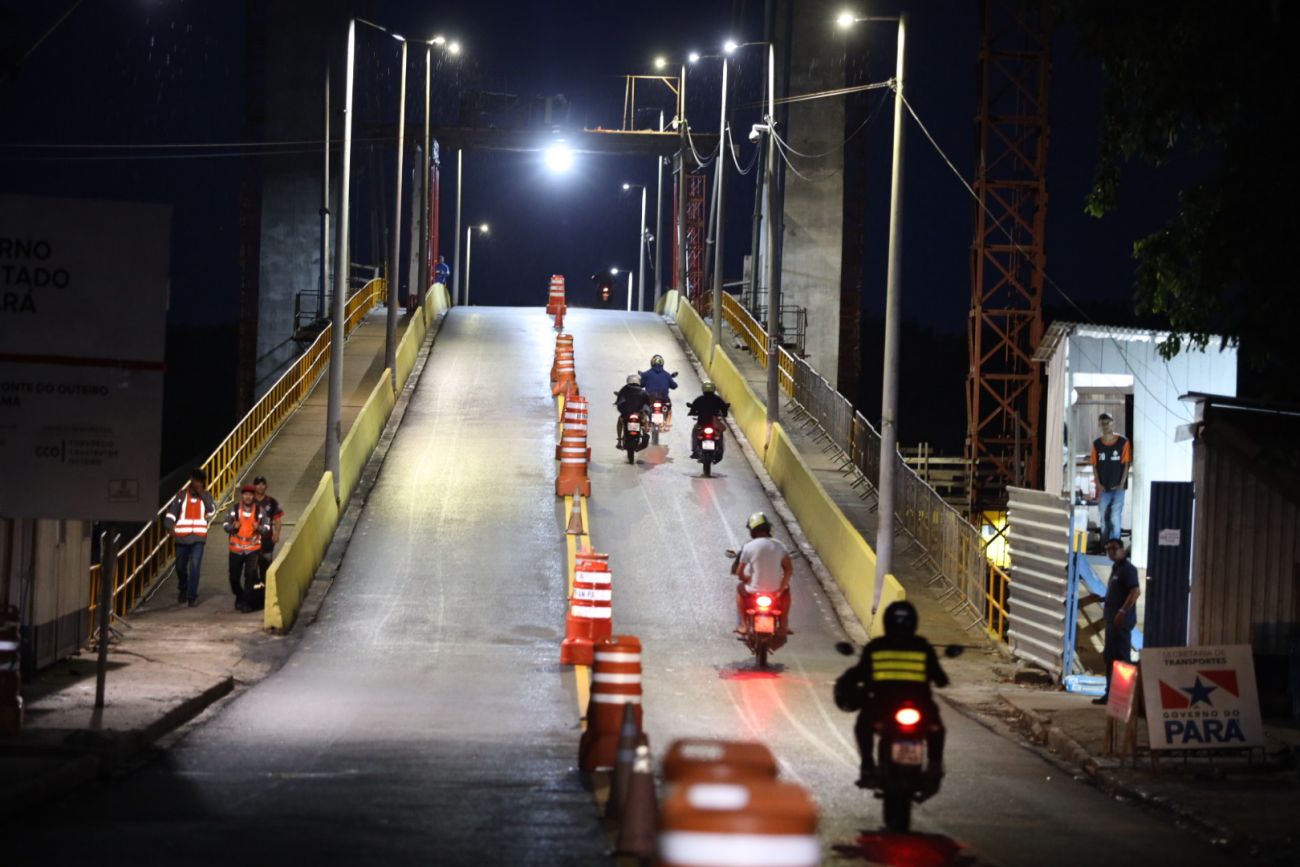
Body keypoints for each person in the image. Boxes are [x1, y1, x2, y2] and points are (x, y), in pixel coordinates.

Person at [835, 600, 950, 787]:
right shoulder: (922, 647)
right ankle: (934, 764)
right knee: (936, 728)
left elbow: (860, 672)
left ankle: (867, 765)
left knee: (863, 726)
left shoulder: (876, 647)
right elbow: (940, 678)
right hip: (919, 706)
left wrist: (850, 686)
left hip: (881, 706)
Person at [1092, 538, 1141, 705]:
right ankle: (1110, 694)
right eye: (1108, 549)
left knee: (1121, 659)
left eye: (1114, 548)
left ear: (1122, 550)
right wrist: (1105, 598)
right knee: (1110, 658)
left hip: (1121, 622)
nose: (1111, 552)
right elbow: (1118, 593)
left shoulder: (1128, 569)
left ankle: (1124, 696)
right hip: (1112, 621)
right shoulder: (1116, 568)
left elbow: (1135, 591)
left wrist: (1122, 611)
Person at [730, 512, 793, 633]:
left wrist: (745, 579)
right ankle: (783, 624)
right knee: (787, 590)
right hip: (774, 590)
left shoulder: (749, 546)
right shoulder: (780, 546)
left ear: (752, 531)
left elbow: (739, 571)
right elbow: (789, 570)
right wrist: (781, 587)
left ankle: (743, 625)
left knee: (739, 589)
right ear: (768, 529)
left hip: (753, 590)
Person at [164, 468, 215, 607]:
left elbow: (212, 510)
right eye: (196, 480)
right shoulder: (181, 496)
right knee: (180, 567)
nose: (198, 483)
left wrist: (201, 493)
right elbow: (171, 514)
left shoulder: (206, 496)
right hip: (181, 538)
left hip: (198, 538)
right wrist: (168, 526)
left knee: (195, 566)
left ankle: (192, 596)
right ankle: (183, 589)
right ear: (191, 480)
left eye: (200, 481)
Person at [224, 485, 270, 613]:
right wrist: (232, 527)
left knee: (250, 576)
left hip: (253, 549)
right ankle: (239, 595)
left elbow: (267, 528)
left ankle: (246, 603)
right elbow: (225, 524)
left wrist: (259, 528)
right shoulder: (234, 510)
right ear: (242, 495)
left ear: (253, 496)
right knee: (234, 577)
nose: (248, 497)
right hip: (236, 549)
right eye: (245, 494)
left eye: (250, 494)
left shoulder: (260, 511)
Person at [1090, 411, 1131, 547]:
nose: (1105, 426)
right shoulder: (1096, 444)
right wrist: (1098, 484)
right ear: (1099, 425)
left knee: (1115, 516)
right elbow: (1094, 465)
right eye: (1103, 423)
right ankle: (1104, 545)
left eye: (1108, 423)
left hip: (1118, 488)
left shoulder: (1123, 442)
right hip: (1104, 488)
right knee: (1103, 517)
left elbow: (1126, 463)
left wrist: (1122, 482)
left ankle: (1115, 545)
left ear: (1113, 424)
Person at [251, 475, 284, 612]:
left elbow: (277, 520)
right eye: (258, 484)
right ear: (254, 486)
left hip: (267, 541)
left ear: (266, 486)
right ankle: (254, 598)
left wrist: (276, 534)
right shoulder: (248, 501)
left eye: (262, 484)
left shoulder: (272, 502)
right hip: (250, 542)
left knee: (265, 569)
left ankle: (266, 596)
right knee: (252, 571)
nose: (260, 486)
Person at [687, 382, 730, 459]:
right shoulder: (717, 399)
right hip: (714, 423)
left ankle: (694, 450)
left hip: (702, 422)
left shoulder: (699, 399)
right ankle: (720, 450)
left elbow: (693, 408)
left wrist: (691, 412)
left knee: (695, 432)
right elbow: (724, 408)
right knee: (719, 435)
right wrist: (724, 414)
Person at [639, 354, 678, 430]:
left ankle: (645, 424)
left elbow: (641, 385)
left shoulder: (647, 374)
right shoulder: (667, 375)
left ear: (652, 363)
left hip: (650, 397)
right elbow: (674, 386)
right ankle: (667, 425)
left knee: (642, 408)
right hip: (663, 397)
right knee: (669, 410)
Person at [613, 374, 651, 447]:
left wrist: (622, 411)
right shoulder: (643, 391)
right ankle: (645, 435)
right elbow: (648, 403)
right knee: (645, 420)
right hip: (639, 414)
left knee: (619, 421)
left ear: (628, 381)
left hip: (626, 414)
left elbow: (618, 402)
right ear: (638, 382)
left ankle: (619, 441)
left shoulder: (623, 390)